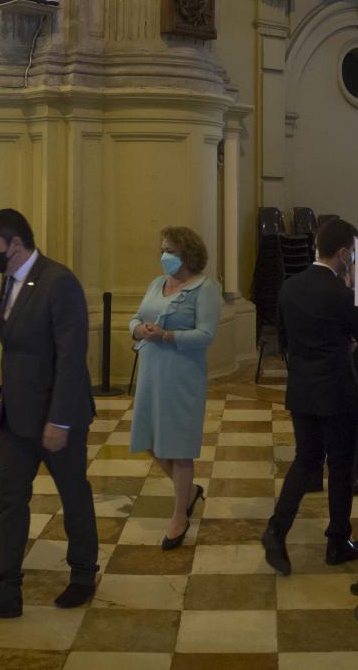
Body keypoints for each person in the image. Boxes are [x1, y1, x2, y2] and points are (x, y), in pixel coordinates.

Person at [0, 209, 98, 623]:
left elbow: (72, 359)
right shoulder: (11, 278)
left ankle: (84, 573)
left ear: (16, 244)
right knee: (10, 499)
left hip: (58, 417)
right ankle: (4, 591)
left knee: (73, 495)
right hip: (16, 415)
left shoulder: (59, 282)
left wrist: (61, 420)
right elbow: (17, 349)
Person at [261, 219, 358, 576]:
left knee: (306, 461)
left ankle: (276, 530)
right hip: (338, 391)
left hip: (301, 390)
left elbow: (284, 339)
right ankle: (337, 541)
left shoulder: (290, 287)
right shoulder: (338, 291)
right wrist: (354, 289)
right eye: (351, 254)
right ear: (343, 253)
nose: (351, 260)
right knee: (340, 466)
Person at [129, 225, 222, 549]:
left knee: (178, 447)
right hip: (152, 371)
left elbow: (206, 335)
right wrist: (140, 329)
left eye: (170, 250)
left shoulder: (205, 288)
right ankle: (190, 492)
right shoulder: (158, 283)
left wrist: (167, 336)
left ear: (187, 254)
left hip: (183, 375)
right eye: (162, 249)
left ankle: (179, 515)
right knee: (150, 439)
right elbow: (136, 317)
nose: (164, 256)